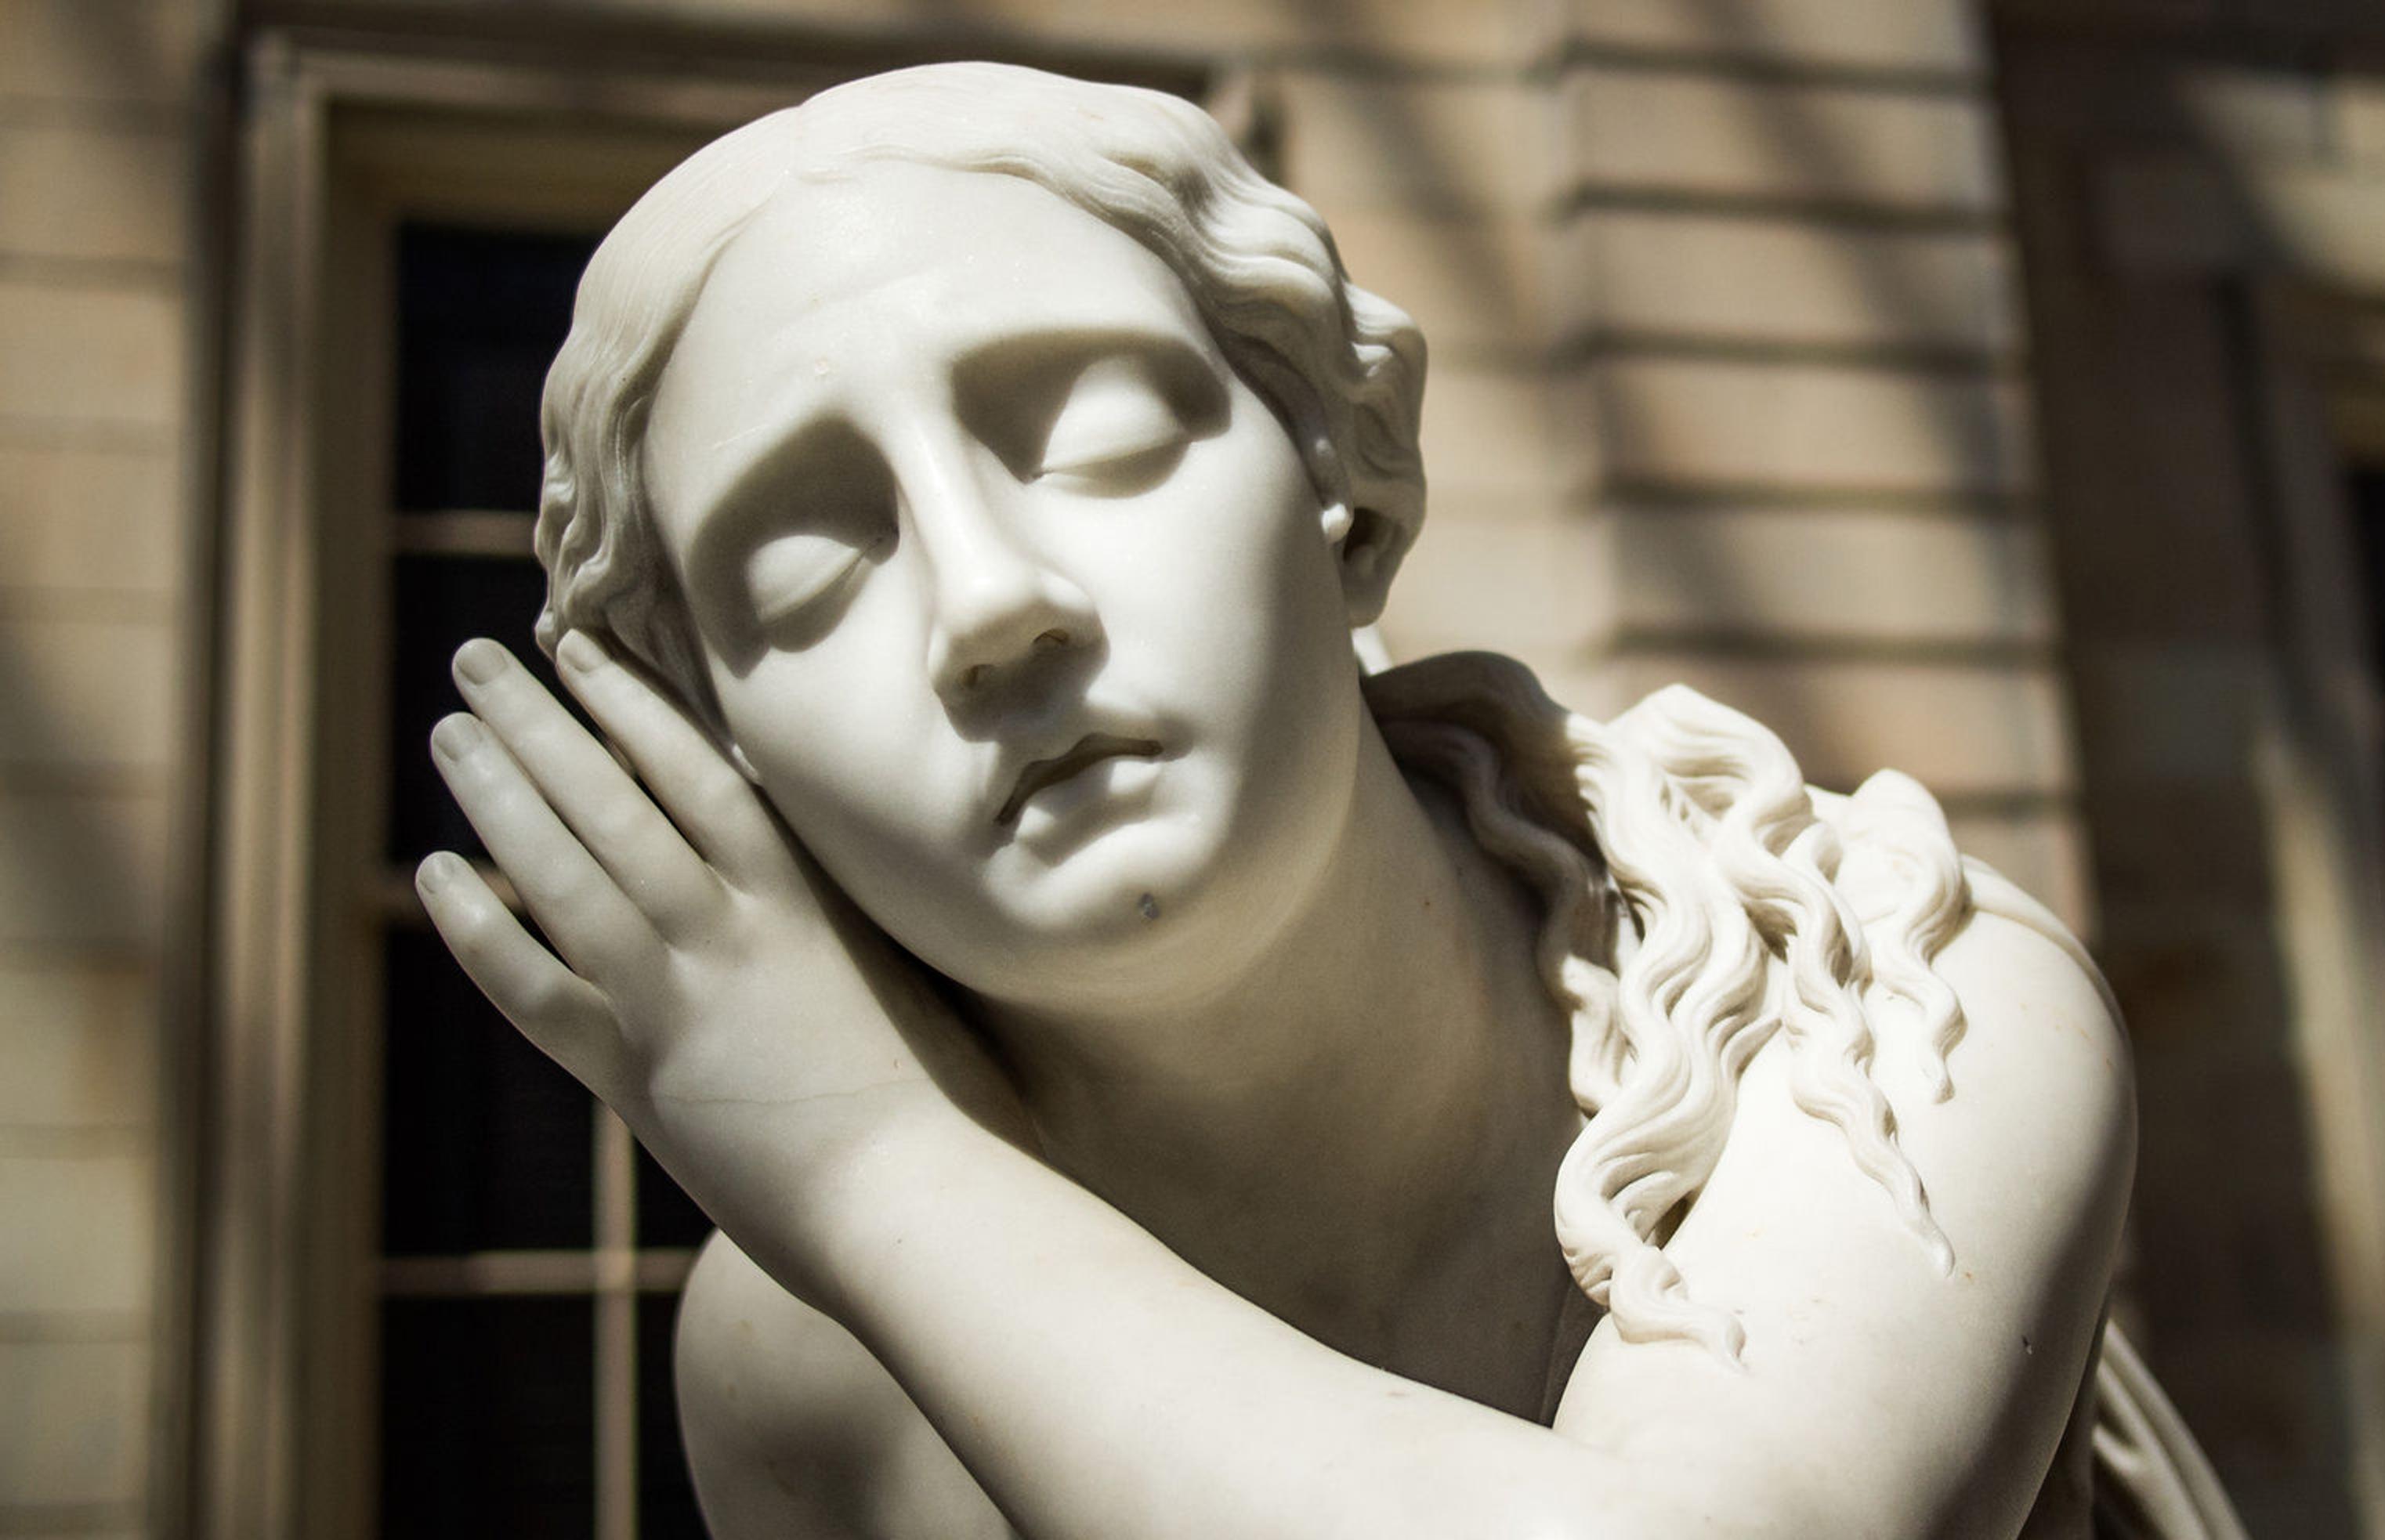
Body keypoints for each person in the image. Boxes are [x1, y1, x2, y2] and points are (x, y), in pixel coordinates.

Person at [418, 61, 2243, 1540]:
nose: (989, 603)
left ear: (1341, 495)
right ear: (721, 753)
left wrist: (875, 1163)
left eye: (1098, 434)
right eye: (810, 566)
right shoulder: (802, 1362)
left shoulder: (1877, 994)